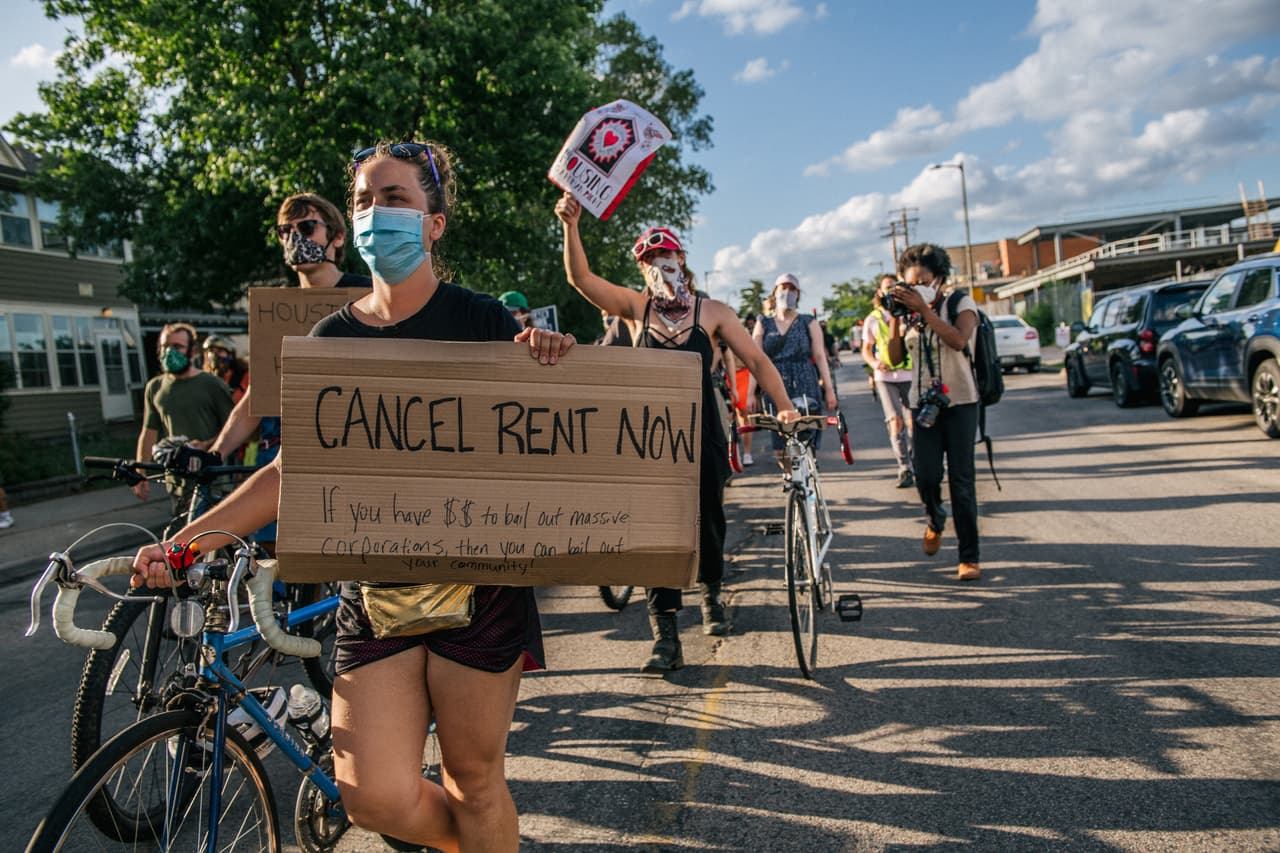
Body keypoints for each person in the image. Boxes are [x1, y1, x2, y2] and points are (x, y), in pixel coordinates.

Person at [132, 140, 575, 852]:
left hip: (480, 594)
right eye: (365, 200)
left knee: (474, 778)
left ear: (434, 222)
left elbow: (552, 440)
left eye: (395, 199)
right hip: (373, 597)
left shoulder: (485, 321)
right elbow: (289, 470)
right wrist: (186, 543)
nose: (375, 214)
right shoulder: (329, 338)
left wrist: (552, 367)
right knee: (373, 794)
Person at [555, 191, 800, 671]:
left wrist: (786, 407)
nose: (658, 265)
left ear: (682, 260)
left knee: (708, 518)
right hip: (648, 435)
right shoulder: (635, 308)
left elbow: (756, 359)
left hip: (702, 427)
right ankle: (664, 634)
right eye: (649, 259)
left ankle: (711, 596)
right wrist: (570, 226)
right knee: (653, 532)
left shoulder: (714, 313)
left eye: (665, 256)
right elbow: (580, 279)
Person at [207, 192, 372, 550]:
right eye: (286, 230)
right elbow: (258, 396)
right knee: (270, 572)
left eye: (308, 226)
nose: (295, 238)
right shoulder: (275, 311)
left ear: (337, 236)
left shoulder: (370, 295)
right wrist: (215, 452)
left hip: (352, 459)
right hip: (281, 457)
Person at [886, 243, 982, 582]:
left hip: (960, 404)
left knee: (962, 482)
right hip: (924, 404)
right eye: (908, 285)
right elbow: (895, 358)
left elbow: (958, 340)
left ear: (938, 279)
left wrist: (925, 311)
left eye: (921, 282)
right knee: (925, 475)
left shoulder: (960, 303)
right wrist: (897, 318)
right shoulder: (909, 314)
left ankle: (968, 557)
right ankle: (935, 519)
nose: (914, 290)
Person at [132, 323, 235, 519]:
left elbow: (234, 427)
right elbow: (149, 432)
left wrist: (207, 446)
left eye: (177, 347)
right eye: (165, 346)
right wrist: (140, 471)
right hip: (177, 480)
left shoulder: (211, 384)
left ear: (193, 351)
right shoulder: (155, 388)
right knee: (182, 538)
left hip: (212, 478)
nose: (170, 352)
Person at [749, 274, 838, 461]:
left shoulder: (808, 322)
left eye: (792, 289)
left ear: (798, 294)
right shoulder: (763, 323)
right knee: (781, 443)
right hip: (774, 383)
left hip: (805, 381)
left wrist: (829, 390)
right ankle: (791, 480)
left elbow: (820, 356)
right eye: (783, 288)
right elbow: (756, 360)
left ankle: (809, 477)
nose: (787, 292)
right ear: (774, 292)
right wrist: (750, 393)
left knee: (807, 438)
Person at [862, 273, 915, 488]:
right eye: (886, 286)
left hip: (909, 374)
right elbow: (866, 350)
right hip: (885, 376)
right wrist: (875, 363)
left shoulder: (910, 314)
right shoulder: (873, 319)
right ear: (879, 291)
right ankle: (904, 467)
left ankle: (917, 461)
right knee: (895, 421)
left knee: (913, 422)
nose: (890, 289)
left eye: (894, 285)